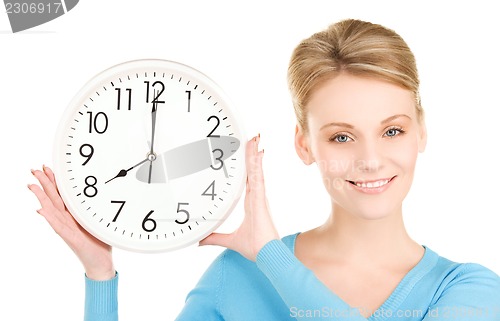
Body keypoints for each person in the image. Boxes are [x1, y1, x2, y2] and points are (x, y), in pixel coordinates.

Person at [28, 18, 500, 320]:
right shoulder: (235, 277)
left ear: (421, 131)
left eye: (392, 130)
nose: (371, 159)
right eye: (341, 135)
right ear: (304, 143)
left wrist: (273, 258)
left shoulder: (470, 291)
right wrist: (99, 276)